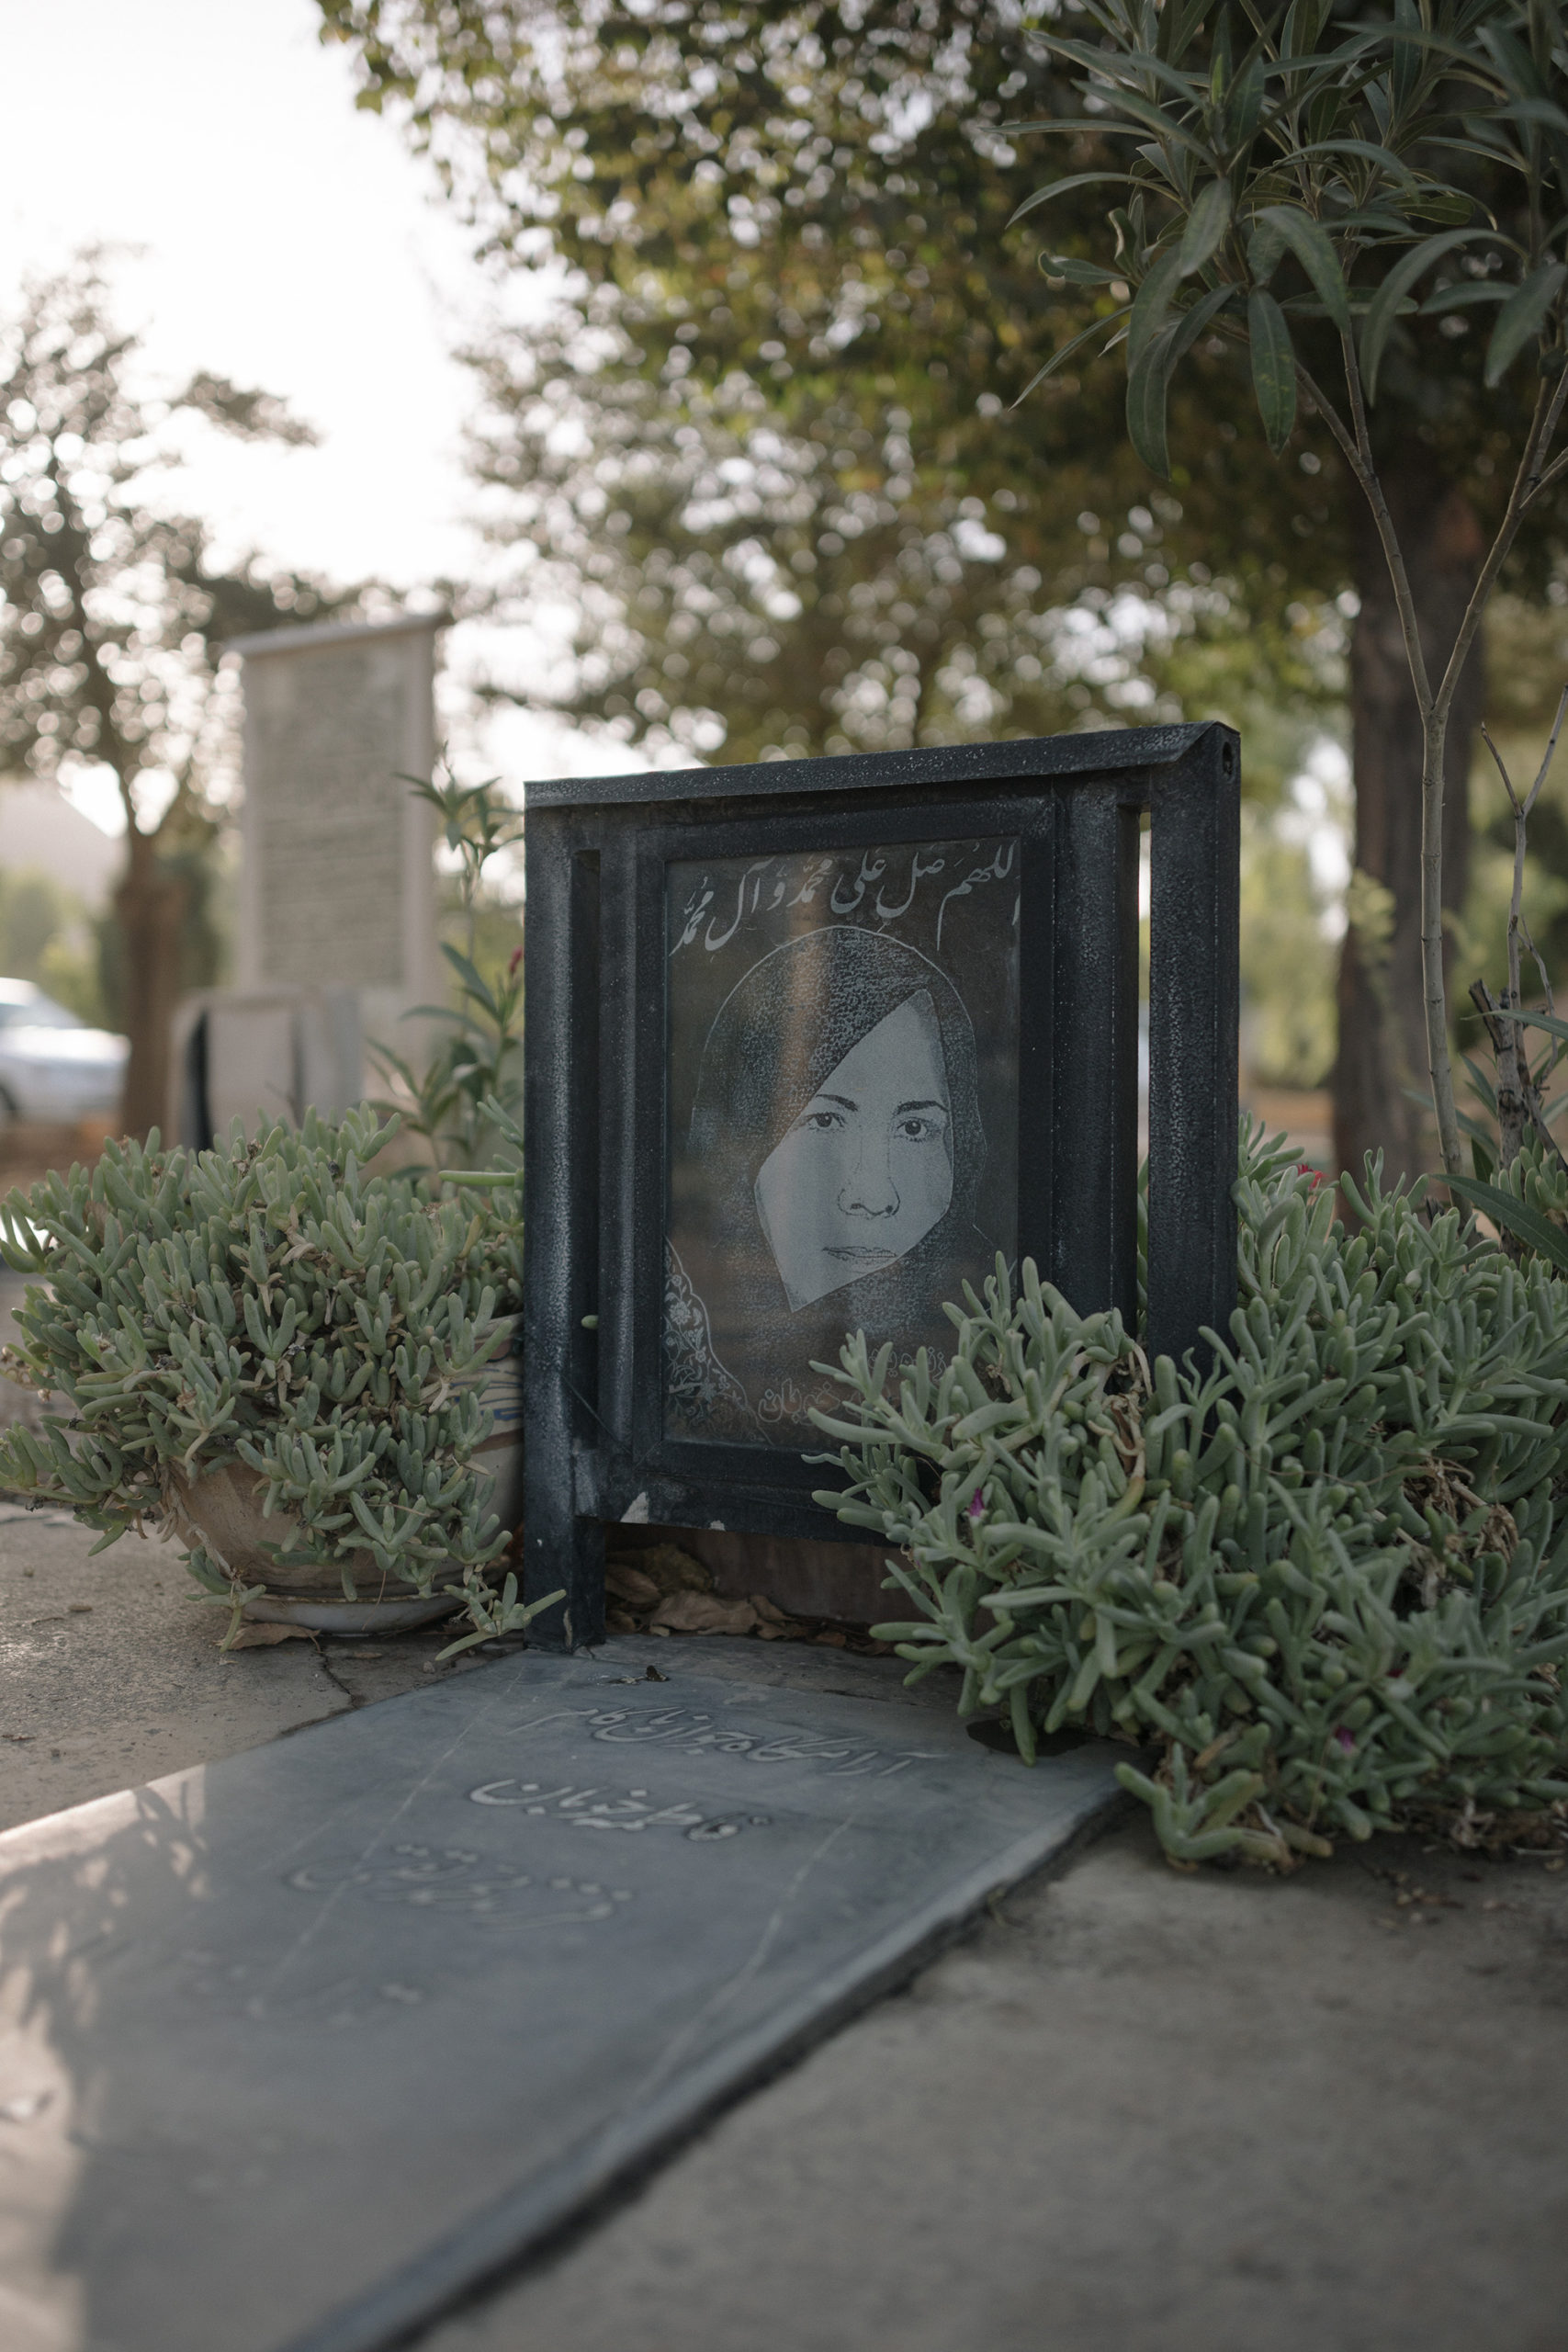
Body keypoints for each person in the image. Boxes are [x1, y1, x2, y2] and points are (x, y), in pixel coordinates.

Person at [667, 924, 996, 1441]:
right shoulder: (679, 1352)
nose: (873, 1196)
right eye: (824, 1121)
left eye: (914, 1129)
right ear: (742, 1148)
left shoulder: (992, 1364)